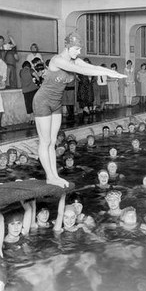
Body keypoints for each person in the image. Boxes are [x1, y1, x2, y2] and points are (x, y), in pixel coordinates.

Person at [32, 32, 125, 188]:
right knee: (45, 141)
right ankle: (49, 177)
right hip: (42, 101)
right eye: (76, 49)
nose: (78, 52)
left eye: (79, 49)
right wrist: (107, 72)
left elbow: (91, 67)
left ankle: (55, 175)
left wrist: (112, 72)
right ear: (67, 46)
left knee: (53, 141)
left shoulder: (76, 60)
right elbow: (84, 72)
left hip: (56, 103)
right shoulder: (57, 60)